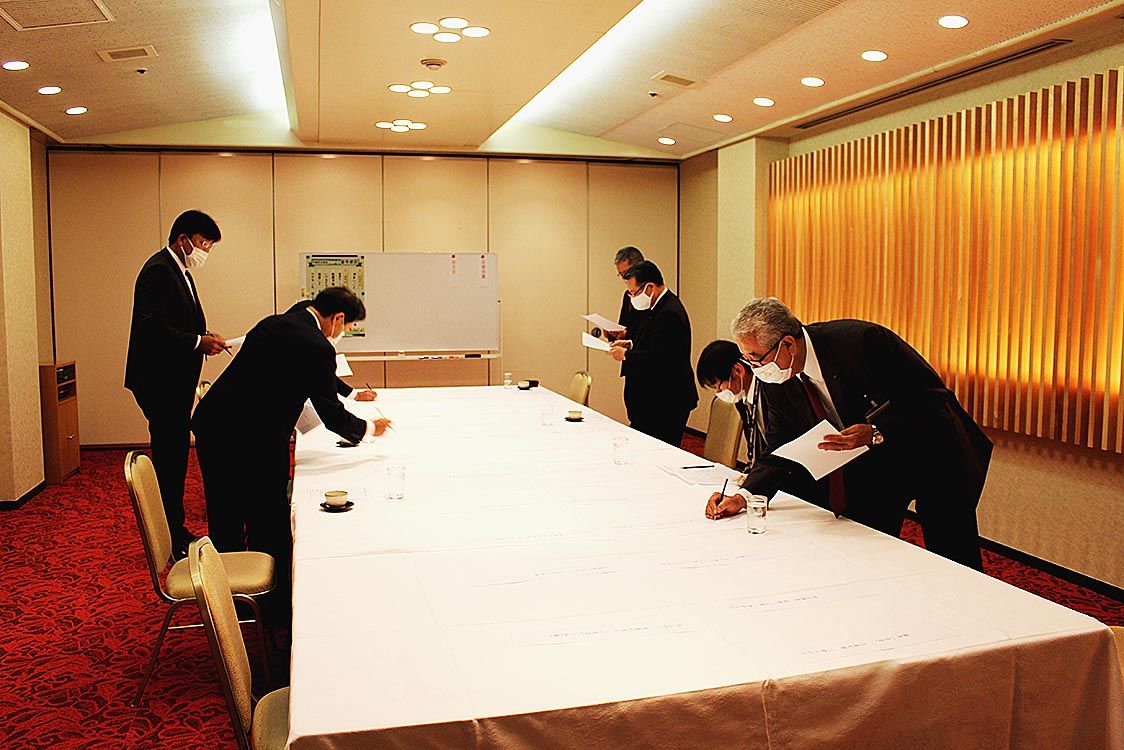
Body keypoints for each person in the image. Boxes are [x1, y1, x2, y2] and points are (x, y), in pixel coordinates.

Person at [705, 298, 992, 570]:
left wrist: (876, 430)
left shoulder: (860, 343)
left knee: (952, 553)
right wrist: (745, 495)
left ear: (788, 344)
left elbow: (929, 395)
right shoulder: (776, 377)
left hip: (934, 450)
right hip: (880, 463)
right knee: (867, 545)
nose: (755, 369)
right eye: (748, 360)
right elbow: (780, 443)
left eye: (756, 358)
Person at [191, 287, 390, 625]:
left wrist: (351, 394)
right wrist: (370, 428)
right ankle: (272, 607)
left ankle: (229, 599)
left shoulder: (282, 322)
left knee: (225, 512)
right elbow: (331, 415)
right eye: (347, 326)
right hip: (251, 436)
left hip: (216, 425)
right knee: (268, 516)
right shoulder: (316, 345)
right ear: (338, 318)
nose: (343, 332)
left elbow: (317, 378)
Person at [125, 209, 227, 559]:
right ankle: (170, 534)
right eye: (203, 243)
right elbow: (152, 329)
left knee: (176, 456)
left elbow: (179, 322)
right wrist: (198, 342)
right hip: (161, 382)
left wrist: (204, 336)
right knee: (170, 460)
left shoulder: (179, 271)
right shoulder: (159, 270)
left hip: (174, 381)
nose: (205, 252)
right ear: (183, 239)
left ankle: (174, 528)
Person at [607, 260, 698, 446]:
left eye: (634, 293)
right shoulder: (656, 307)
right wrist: (630, 344)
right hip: (652, 401)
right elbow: (654, 343)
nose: (632, 298)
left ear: (649, 288)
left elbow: (663, 358)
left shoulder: (669, 312)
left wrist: (626, 355)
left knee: (658, 451)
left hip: (665, 401)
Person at [695, 339, 760, 463]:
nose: (718, 392)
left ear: (738, 371)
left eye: (718, 386)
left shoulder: (767, 395)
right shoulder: (742, 399)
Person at [609, 246, 647, 343]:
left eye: (626, 273)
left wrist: (627, 334)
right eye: (621, 274)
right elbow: (623, 327)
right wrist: (614, 334)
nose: (624, 278)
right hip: (629, 351)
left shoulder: (650, 295)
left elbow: (648, 335)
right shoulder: (627, 295)